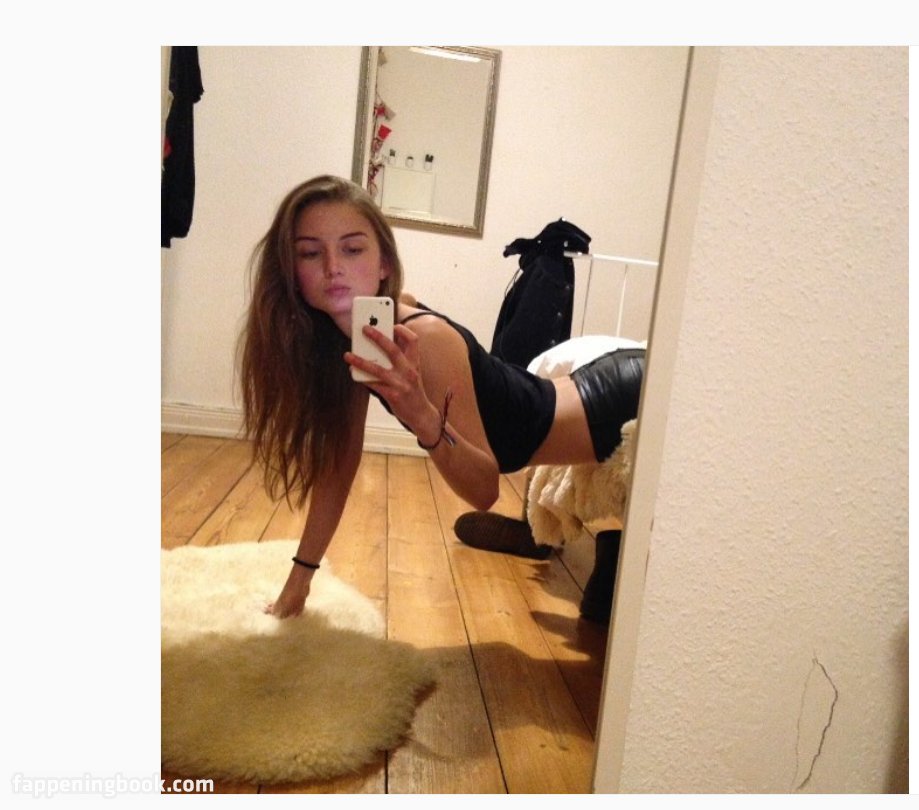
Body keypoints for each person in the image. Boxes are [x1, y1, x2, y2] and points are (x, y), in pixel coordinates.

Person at [238, 175, 644, 621]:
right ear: (289, 269)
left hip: (616, 403)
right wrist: (299, 581)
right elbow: (339, 465)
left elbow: (485, 490)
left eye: (352, 249)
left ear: (383, 263)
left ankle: (610, 546)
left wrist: (422, 414)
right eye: (310, 253)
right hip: (574, 392)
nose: (333, 266)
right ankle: (575, 542)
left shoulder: (424, 340)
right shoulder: (361, 336)